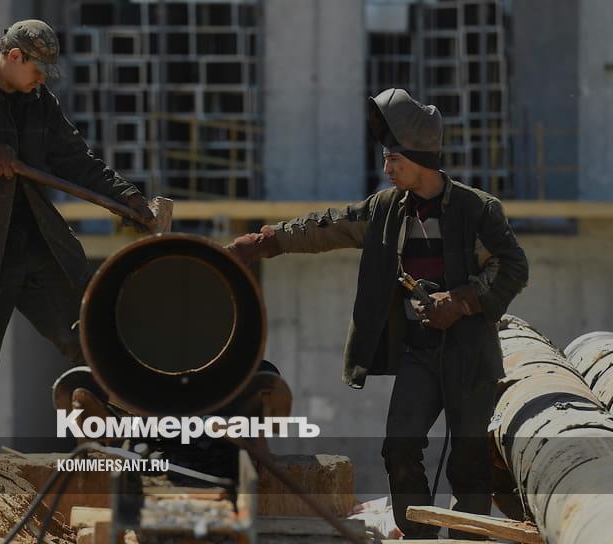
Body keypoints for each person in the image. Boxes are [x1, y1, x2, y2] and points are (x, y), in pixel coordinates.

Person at [225, 88, 529, 538]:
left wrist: (462, 300)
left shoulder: (477, 209)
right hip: (419, 353)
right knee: (399, 448)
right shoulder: (386, 211)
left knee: (469, 463)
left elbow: (513, 267)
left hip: (470, 353)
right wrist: (265, 243)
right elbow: (327, 226)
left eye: (394, 160)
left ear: (419, 159)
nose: (386, 169)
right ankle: (416, 534)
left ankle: (469, 539)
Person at [0, 19, 156, 463]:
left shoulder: (38, 102)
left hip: (32, 240)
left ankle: (129, 425)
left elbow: (75, 158)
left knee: (86, 327)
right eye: (37, 70)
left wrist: (126, 198)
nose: (41, 80)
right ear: (14, 56)